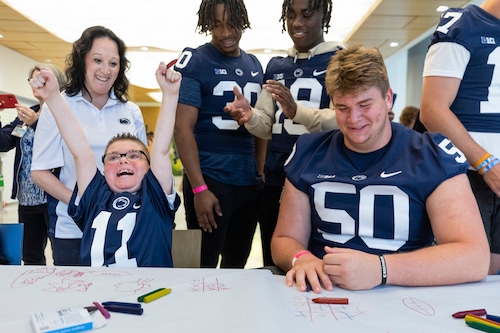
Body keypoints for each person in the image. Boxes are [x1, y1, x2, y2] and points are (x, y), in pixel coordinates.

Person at [271, 45, 489, 292]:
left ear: (387, 98)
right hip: (324, 294)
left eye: (365, 104)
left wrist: (381, 269)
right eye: (342, 108)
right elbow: (284, 239)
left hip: (406, 297)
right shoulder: (309, 152)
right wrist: (302, 258)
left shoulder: (430, 154)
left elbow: (474, 257)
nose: (354, 119)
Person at [224, 0, 344, 266]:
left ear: (324, 16)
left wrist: (295, 111)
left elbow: (342, 119)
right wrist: (249, 116)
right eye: (291, 15)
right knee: (276, 261)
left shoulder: (340, 60)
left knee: (321, 261)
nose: (297, 23)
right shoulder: (277, 66)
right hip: (278, 180)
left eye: (306, 15)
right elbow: (266, 126)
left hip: (323, 179)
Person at [30, 62, 181, 267]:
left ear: (149, 167)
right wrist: (54, 97)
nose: (123, 160)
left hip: (147, 294)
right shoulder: (95, 198)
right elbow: (80, 150)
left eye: (134, 155)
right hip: (98, 295)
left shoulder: (155, 197)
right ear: (102, 169)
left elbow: (162, 149)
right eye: (113, 157)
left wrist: (170, 95)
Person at [31, 26, 147, 266]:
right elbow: (39, 172)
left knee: (119, 297)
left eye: (113, 63)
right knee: (77, 299)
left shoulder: (130, 110)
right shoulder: (59, 106)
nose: (105, 70)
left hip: (123, 226)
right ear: (82, 60)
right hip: (73, 229)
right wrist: (82, 204)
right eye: (97, 60)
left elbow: (143, 169)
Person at [173, 0, 265, 269]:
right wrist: (199, 188)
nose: (226, 33)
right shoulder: (196, 60)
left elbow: (261, 124)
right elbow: (182, 129)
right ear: (206, 25)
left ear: (243, 21)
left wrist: (259, 173)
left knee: (237, 266)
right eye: (217, 25)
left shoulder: (254, 64)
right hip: (211, 181)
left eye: (232, 24)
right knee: (201, 268)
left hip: (247, 182)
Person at [420, 0, 500, 275]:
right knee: (471, 270)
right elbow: (432, 111)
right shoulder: (464, 25)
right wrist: (485, 163)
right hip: (470, 173)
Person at [0, 64, 66, 265]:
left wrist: (37, 122)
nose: (36, 84)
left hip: (54, 197)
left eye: (42, 79)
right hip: (27, 199)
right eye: (33, 80)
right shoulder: (27, 114)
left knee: (61, 255)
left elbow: (64, 144)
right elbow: (4, 143)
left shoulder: (64, 113)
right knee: (30, 257)